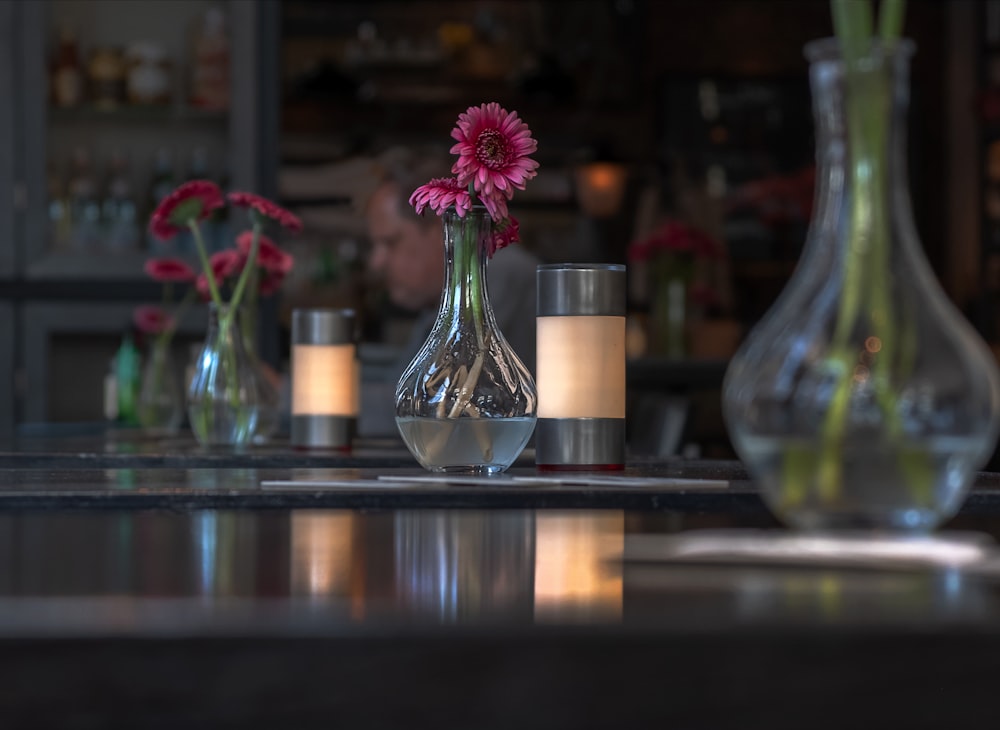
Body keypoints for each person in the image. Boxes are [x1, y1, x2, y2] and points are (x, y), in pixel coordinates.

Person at [361, 148, 540, 436]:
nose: (376, 261)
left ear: (438, 226)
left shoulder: (499, 273)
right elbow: (402, 395)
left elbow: (433, 405)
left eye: (390, 243)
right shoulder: (441, 302)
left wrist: (289, 397)